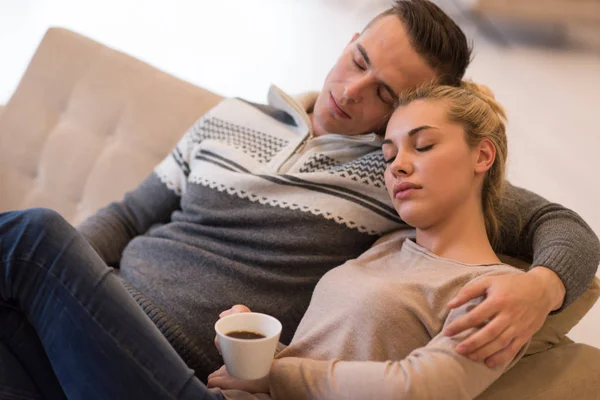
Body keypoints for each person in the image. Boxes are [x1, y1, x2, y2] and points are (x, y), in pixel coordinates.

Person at [0, 0, 598, 396]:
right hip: (82, 332)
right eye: (358, 60)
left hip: (173, 363)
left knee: (34, 238)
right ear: (351, 39)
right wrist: (59, 302)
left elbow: (562, 226)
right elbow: (129, 215)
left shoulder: (399, 175)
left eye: (385, 92)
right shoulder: (231, 116)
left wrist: (542, 287)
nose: (352, 90)